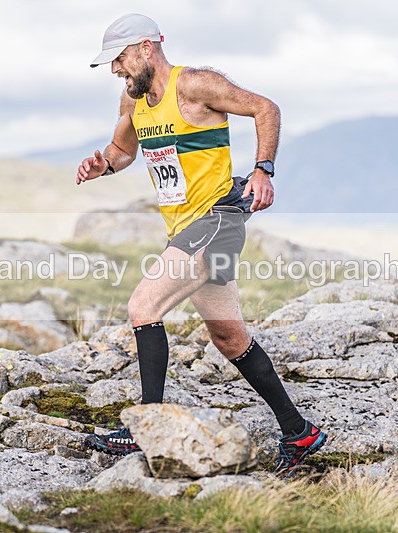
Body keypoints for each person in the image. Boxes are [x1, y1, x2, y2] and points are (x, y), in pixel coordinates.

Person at [77, 13, 326, 479]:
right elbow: (122, 151)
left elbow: (266, 108)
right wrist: (102, 166)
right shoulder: (133, 100)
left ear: (146, 48)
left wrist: (262, 170)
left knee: (142, 306)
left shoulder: (194, 85)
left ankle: (147, 424)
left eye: (119, 59)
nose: (115, 70)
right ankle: (299, 432)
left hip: (218, 219)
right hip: (185, 228)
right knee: (229, 338)